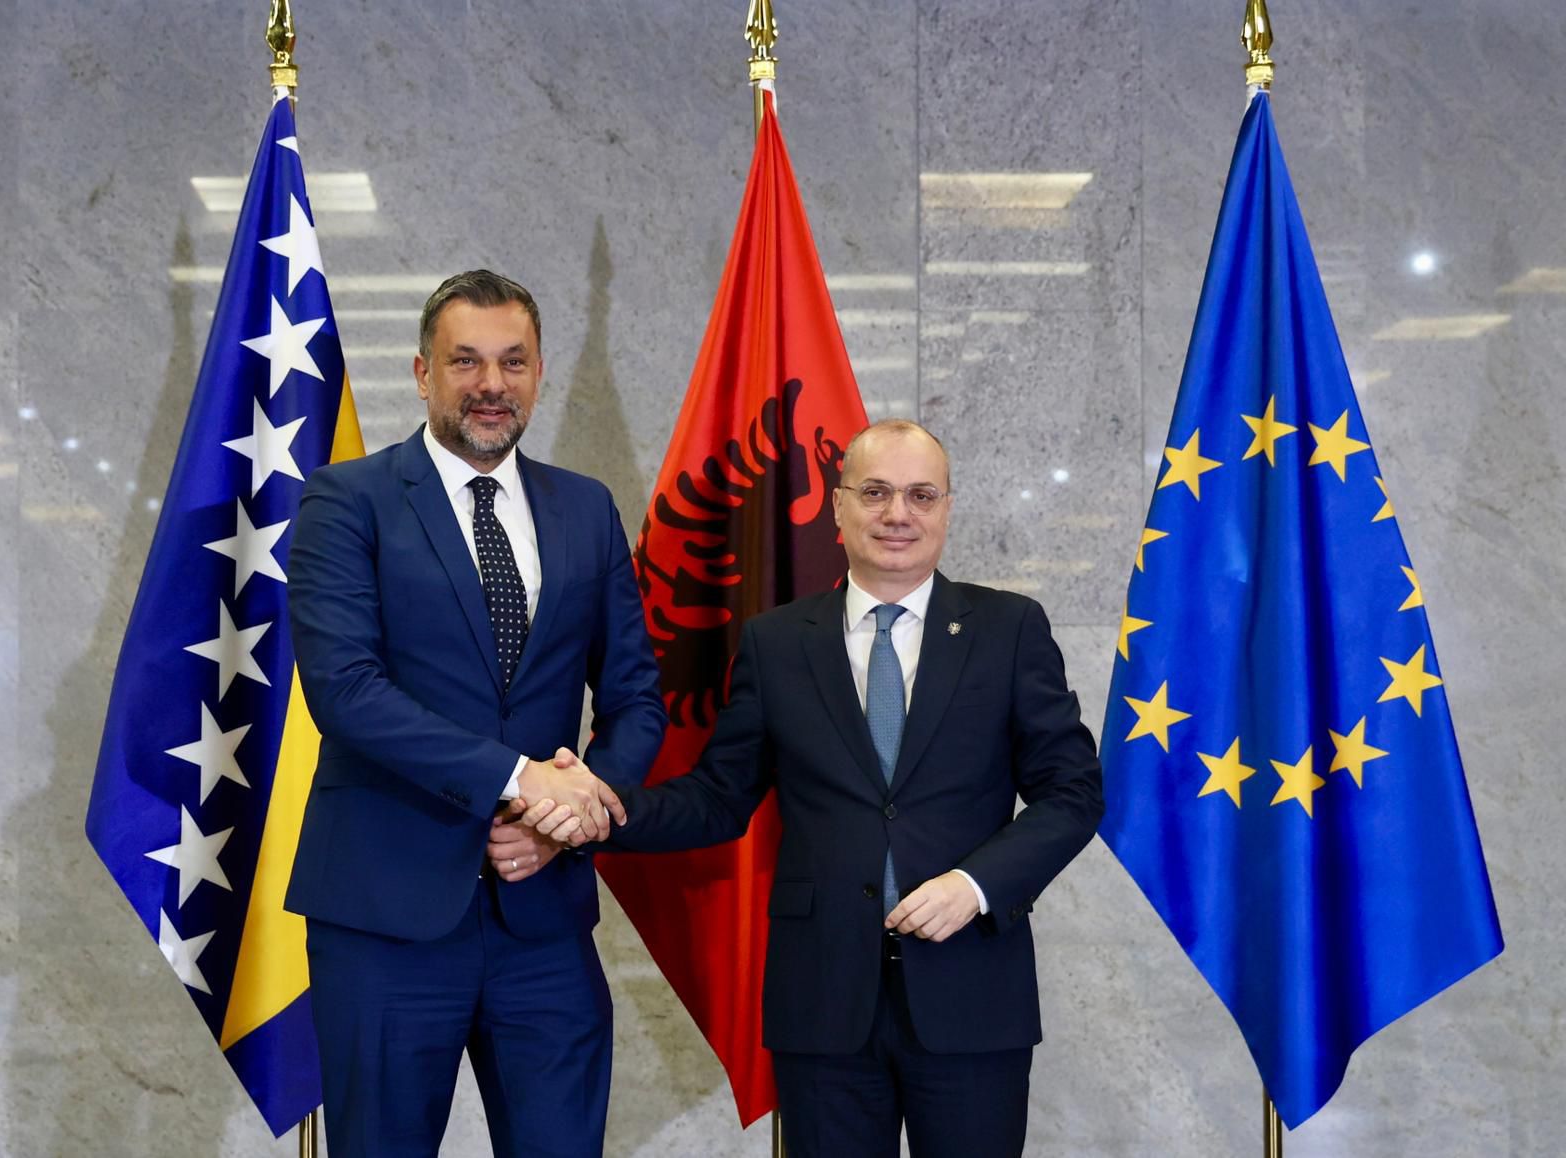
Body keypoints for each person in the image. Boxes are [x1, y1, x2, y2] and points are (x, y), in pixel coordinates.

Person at [537, 418, 1103, 1158]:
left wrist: (974, 885)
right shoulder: (776, 642)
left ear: (946, 509)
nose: (898, 514)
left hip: (972, 994)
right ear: (838, 505)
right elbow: (717, 798)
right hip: (823, 1002)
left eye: (921, 495)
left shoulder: (1009, 629)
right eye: (875, 492)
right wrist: (601, 807)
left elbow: (1072, 793)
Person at [283, 269, 666, 1158]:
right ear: (423, 373)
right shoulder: (347, 500)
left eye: (513, 362)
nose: (492, 384)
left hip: (545, 924)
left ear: (538, 374)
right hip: (386, 917)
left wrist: (570, 818)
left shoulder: (586, 508)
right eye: (466, 361)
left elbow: (635, 696)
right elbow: (346, 691)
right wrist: (522, 781)